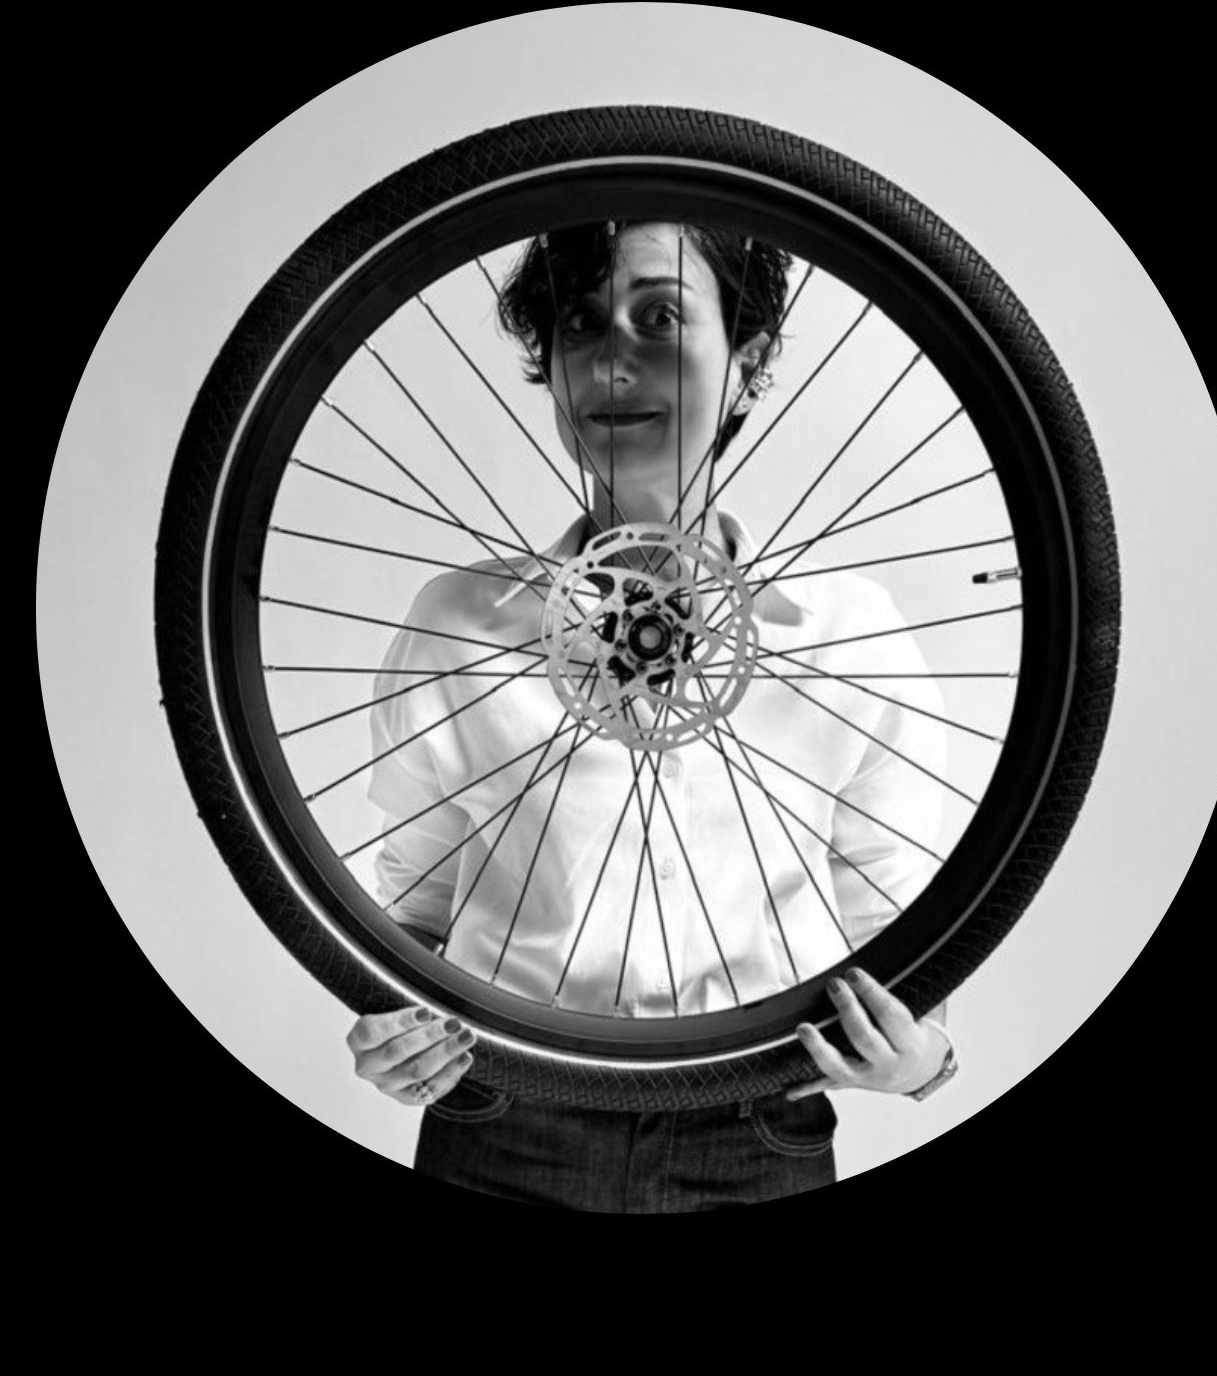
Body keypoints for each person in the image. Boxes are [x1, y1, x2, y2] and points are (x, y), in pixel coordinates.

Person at [344, 220, 958, 1210]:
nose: (611, 361)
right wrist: (397, 1029)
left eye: (661, 316)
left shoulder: (851, 633)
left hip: (755, 1127)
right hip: (502, 1114)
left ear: (749, 362)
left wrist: (922, 1060)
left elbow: (898, 926)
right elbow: (415, 908)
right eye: (580, 323)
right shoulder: (457, 623)